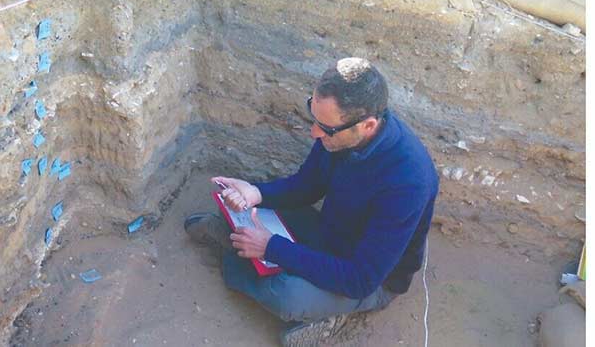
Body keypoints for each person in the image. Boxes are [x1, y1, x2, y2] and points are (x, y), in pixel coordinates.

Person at [184, 57, 439, 346]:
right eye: (314, 117)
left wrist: (271, 247)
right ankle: (244, 244)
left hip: (370, 280)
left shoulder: (408, 182)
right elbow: (307, 185)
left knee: (284, 294)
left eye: (325, 128)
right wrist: (256, 192)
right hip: (330, 233)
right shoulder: (342, 133)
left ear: (367, 125)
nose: (314, 133)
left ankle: (238, 253)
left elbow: (361, 279)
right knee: (261, 210)